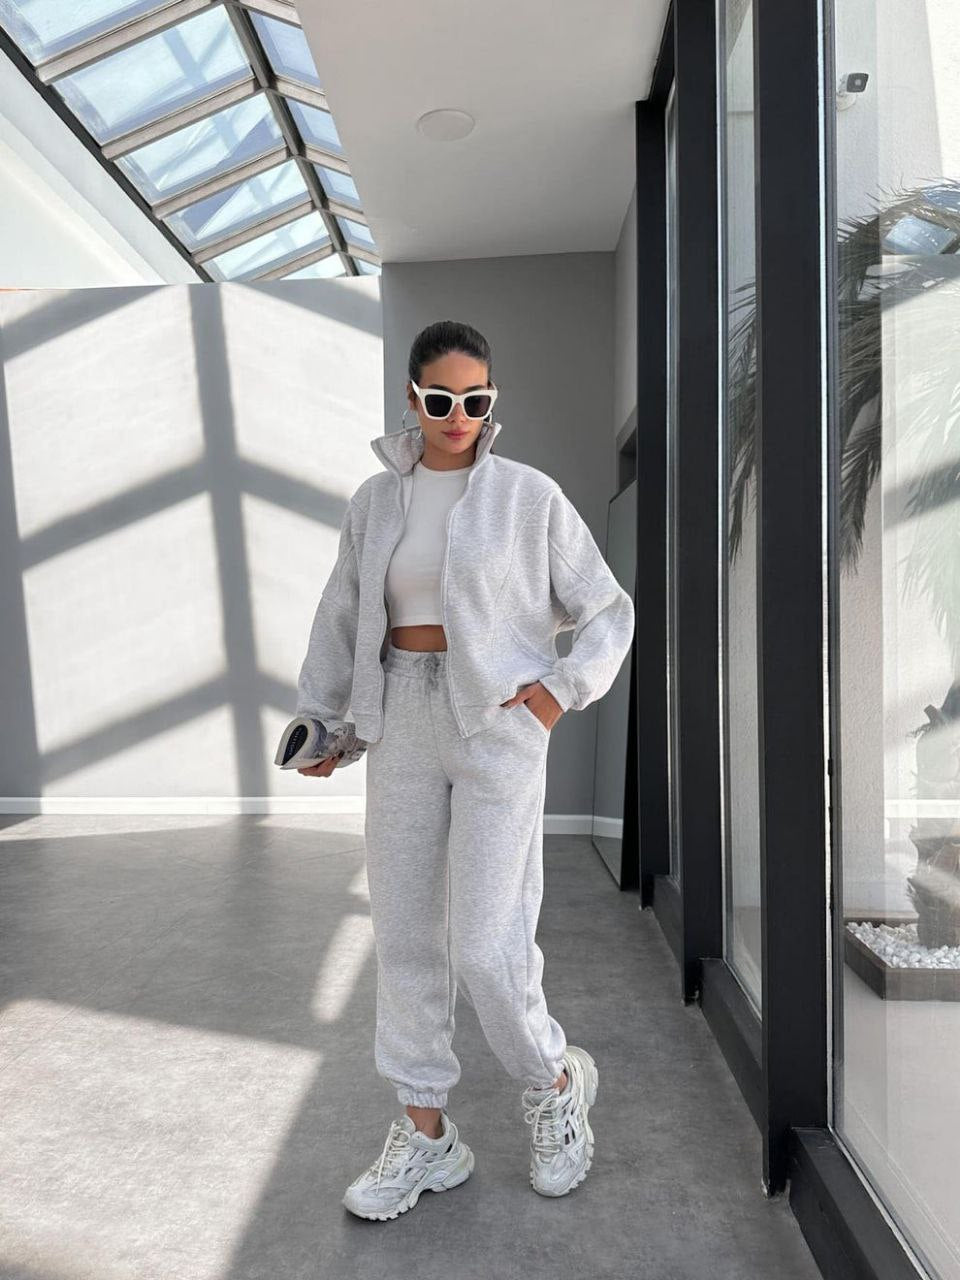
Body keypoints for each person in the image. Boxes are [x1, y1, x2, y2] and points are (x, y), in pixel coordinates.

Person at [295, 320, 635, 1220]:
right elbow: (342, 615)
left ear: (492, 402)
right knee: (407, 935)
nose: (458, 416)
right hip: (401, 721)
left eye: (475, 400)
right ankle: (427, 1136)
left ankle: (553, 1082)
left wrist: (559, 693)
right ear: (413, 399)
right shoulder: (376, 501)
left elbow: (607, 610)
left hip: (495, 725)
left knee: (487, 944)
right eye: (441, 399)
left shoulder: (528, 496)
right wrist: (324, 722)